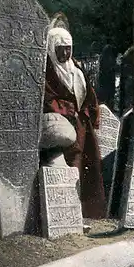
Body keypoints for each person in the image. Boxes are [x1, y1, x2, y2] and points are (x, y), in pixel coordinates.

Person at [43, 27, 106, 219]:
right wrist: (65, 108)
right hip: (62, 125)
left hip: (82, 125)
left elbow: (89, 95)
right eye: (60, 48)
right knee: (71, 164)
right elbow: (46, 97)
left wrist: (90, 112)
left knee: (89, 164)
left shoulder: (75, 69)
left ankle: (89, 212)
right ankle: (68, 213)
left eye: (68, 48)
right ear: (52, 48)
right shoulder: (48, 71)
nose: (64, 53)